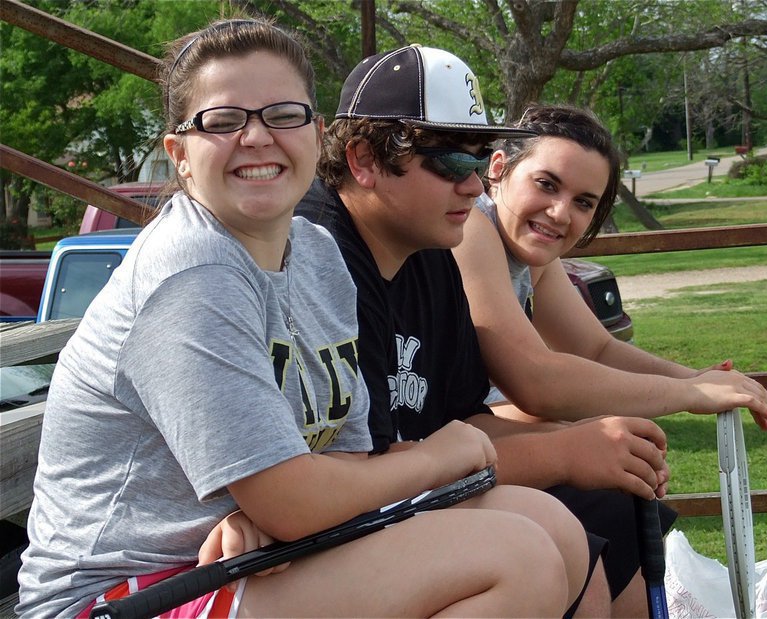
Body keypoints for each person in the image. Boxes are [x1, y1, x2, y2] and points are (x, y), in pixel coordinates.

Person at [15, 21, 587, 618]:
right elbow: (296, 499)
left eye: (282, 115)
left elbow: (343, 460)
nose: (257, 137)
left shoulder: (316, 253)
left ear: (316, 137)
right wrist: (436, 457)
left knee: (550, 525)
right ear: (180, 156)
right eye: (223, 121)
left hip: (248, 556)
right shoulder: (191, 272)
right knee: (516, 558)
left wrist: (269, 511)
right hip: (122, 594)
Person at [296, 44, 630, 617]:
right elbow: (361, 476)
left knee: (582, 529)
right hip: (255, 546)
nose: (475, 187)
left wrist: (584, 443)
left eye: (480, 161)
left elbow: (459, 420)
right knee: (530, 551)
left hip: (361, 503)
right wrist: (563, 454)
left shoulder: (428, 244)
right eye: (451, 163)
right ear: (363, 161)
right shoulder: (320, 252)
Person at [449, 103, 767, 615]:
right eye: (546, 184)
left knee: (621, 483)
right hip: (429, 461)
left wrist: (702, 379)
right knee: (607, 491)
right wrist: (687, 393)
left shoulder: (530, 254)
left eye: (583, 202)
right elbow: (535, 382)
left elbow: (597, 347)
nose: (562, 212)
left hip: (471, 445)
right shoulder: (474, 228)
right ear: (497, 169)